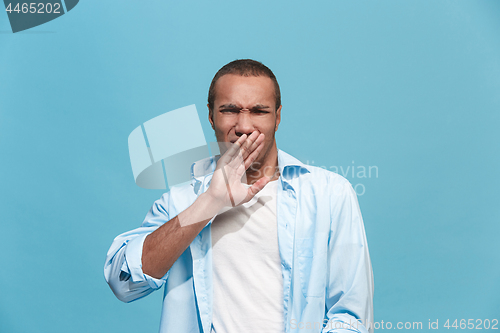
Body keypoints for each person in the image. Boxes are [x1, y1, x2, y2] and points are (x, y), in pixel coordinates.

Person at [104, 59, 374, 333]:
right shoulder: (182, 201)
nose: (244, 126)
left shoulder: (330, 194)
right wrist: (210, 201)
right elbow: (123, 283)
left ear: (277, 118)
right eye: (229, 110)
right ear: (211, 116)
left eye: (259, 111)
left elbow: (351, 319)